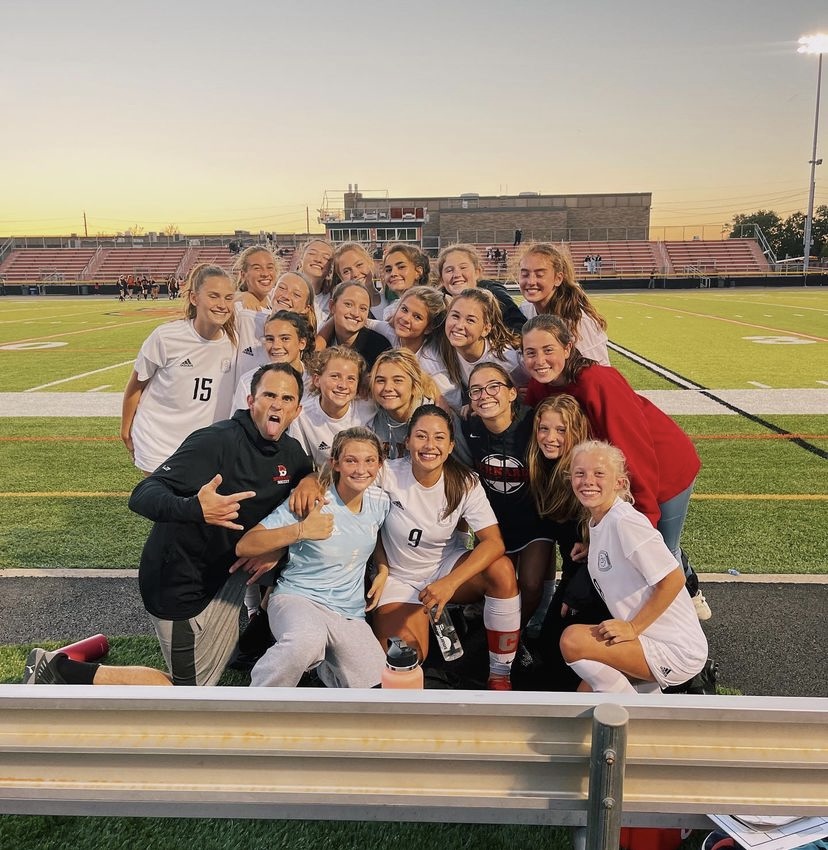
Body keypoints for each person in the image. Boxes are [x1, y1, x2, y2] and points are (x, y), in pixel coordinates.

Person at [25, 364, 324, 687]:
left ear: (296, 410)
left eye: (286, 398)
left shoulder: (292, 454)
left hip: (227, 574)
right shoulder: (216, 441)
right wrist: (194, 507)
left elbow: (303, 481)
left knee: (306, 562)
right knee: (188, 691)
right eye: (269, 395)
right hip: (182, 581)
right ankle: (57, 668)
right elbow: (143, 494)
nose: (277, 404)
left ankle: (251, 645)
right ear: (251, 400)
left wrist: (308, 484)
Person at [521, 314, 711, 619]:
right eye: (530, 352)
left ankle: (683, 629)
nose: (540, 360)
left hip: (664, 467)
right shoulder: (539, 386)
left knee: (658, 549)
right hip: (614, 473)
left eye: (548, 350)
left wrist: (644, 517)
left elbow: (634, 454)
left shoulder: (599, 381)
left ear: (568, 348)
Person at [371, 405, 522, 690]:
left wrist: (450, 584)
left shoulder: (464, 482)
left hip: (444, 570)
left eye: (439, 438)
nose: (430, 445)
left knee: (501, 570)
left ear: (451, 445)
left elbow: (494, 542)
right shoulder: (386, 474)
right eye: (421, 436)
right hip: (400, 578)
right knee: (404, 658)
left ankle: (500, 675)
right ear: (408, 441)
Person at [237, 427, 390, 688]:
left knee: (378, 685)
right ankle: (257, 703)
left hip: (348, 613)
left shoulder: (380, 502)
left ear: (379, 464)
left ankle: (327, 672)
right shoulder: (313, 501)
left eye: (369, 461)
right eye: (351, 460)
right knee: (305, 640)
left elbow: (370, 535)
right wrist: (300, 531)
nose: (361, 469)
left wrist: (383, 567)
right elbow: (245, 545)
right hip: (298, 598)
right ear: (335, 463)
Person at [560, 440, 708, 694]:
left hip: (673, 647)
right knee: (585, 695)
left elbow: (674, 579)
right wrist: (592, 551)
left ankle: (641, 723)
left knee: (572, 640)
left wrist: (632, 628)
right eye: (579, 473)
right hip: (646, 640)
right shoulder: (601, 521)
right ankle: (647, 712)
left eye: (599, 473)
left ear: (619, 482)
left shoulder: (626, 522)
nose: (587, 481)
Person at [461, 362, 557, 633]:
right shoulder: (469, 425)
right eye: (476, 390)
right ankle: (494, 629)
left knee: (530, 583)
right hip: (495, 523)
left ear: (512, 393)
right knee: (498, 582)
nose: (485, 395)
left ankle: (516, 635)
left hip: (534, 520)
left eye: (494, 387)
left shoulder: (533, 423)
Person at [527, 395, 611, 691]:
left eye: (561, 430)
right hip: (577, 571)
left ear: (576, 433)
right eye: (544, 429)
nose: (550, 438)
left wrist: (576, 593)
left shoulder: (581, 477)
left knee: (559, 653)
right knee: (548, 648)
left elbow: (610, 538)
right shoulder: (545, 470)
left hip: (601, 582)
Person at [120, 263, 237, 475]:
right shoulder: (166, 337)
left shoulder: (235, 343)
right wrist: (125, 429)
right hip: (159, 444)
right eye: (214, 296)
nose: (222, 304)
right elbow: (136, 385)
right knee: (163, 506)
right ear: (194, 298)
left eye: (228, 298)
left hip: (204, 449)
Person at [431, 288, 528, 413]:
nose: (459, 326)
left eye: (470, 320)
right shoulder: (445, 346)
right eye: (455, 316)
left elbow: (527, 396)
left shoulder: (509, 360)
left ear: (486, 329)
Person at [516, 243, 610, 366]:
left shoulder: (579, 321)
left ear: (558, 278)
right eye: (525, 274)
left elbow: (597, 374)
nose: (531, 281)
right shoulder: (525, 309)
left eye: (540, 275)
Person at [290, 345, 375, 469]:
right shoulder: (301, 417)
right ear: (317, 380)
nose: (343, 385)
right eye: (335, 376)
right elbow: (299, 466)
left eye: (351, 379)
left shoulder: (370, 407)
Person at [232, 310, 315, 409]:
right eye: (270, 339)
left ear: (302, 343)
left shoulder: (316, 381)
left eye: (285, 338)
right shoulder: (248, 382)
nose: (276, 346)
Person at [435, 243, 525, 333]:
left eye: (463, 267)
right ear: (442, 280)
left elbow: (519, 328)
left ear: (477, 272)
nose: (457, 275)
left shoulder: (495, 295)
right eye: (449, 270)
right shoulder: (436, 306)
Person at [368, 348, 437, 459]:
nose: (388, 388)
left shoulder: (436, 419)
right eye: (380, 380)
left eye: (398, 380)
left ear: (414, 386)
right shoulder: (369, 416)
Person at [232, 245, 280, 372]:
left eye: (270, 267)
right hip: (247, 386)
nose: (265, 274)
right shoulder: (238, 309)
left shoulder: (277, 304)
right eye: (257, 268)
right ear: (243, 275)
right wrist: (240, 296)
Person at [325, 280, 391, 370]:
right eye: (348, 304)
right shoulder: (321, 342)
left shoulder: (380, 347)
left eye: (363, 308)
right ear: (332, 306)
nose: (356, 313)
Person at [378, 242, 430, 318]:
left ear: (418, 272)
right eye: (388, 270)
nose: (393, 273)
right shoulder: (389, 310)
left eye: (401, 267)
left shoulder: (433, 305)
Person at [297, 238, 334, 325]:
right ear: (301, 260)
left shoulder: (333, 300)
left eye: (326, 257)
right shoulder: (282, 292)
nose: (318, 260)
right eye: (312, 253)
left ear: (330, 268)